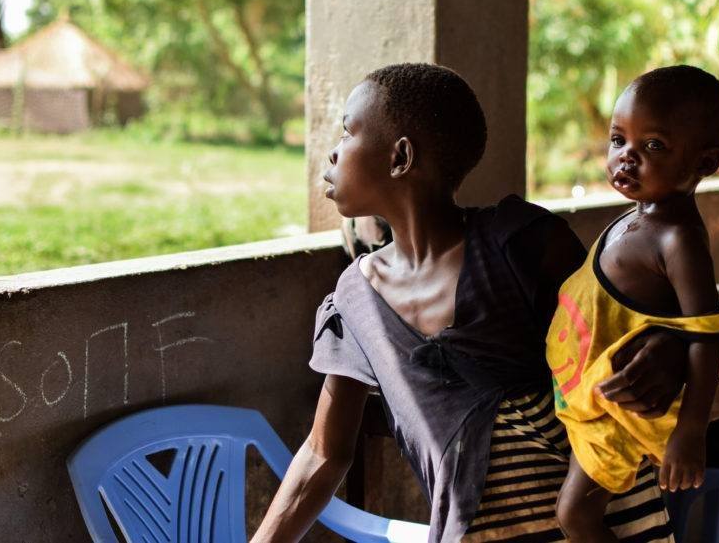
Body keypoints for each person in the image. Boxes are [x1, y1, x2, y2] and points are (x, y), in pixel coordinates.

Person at [251, 63, 687, 543]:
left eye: (349, 131)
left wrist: (670, 346)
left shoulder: (521, 244)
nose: (333, 151)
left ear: (400, 157)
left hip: (612, 522)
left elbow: (616, 329)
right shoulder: (356, 301)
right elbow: (323, 453)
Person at [548, 65, 719, 542]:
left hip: (623, 416)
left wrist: (691, 434)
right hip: (592, 398)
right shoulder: (638, 215)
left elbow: (707, 335)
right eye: (618, 141)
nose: (626, 158)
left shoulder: (678, 239)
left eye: (653, 146)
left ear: (706, 162)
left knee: (575, 515)